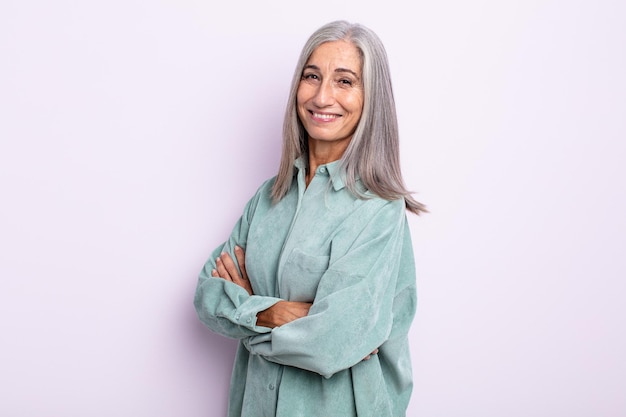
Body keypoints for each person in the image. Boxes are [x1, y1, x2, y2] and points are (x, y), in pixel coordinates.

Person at [194, 20, 426, 417]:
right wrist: (279, 314)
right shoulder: (268, 198)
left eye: (345, 81)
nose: (322, 96)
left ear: (372, 98)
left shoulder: (378, 212)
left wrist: (246, 310)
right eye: (312, 76)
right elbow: (207, 296)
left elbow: (333, 340)